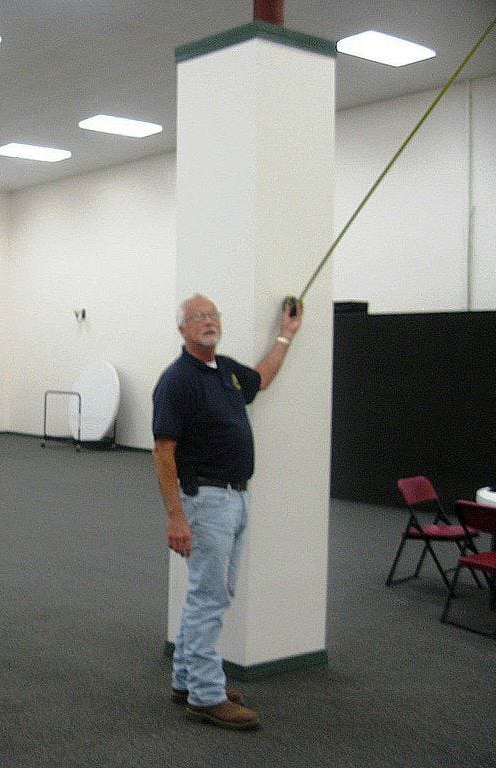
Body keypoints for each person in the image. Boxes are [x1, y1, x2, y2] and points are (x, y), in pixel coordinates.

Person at [152, 293, 302, 731]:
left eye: (213, 315)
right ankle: (205, 695)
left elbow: (262, 378)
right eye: (198, 317)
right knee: (210, 597)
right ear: (182, 329)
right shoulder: (176, 380)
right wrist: (175, 516)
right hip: (206, 502)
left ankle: (188, 678)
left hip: (236, 497)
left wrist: (285, 335)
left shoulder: (228, 372)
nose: (208, 321)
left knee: (213, 592)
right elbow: (164, 452)